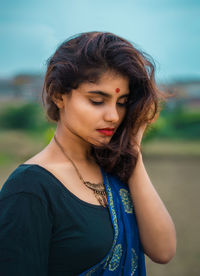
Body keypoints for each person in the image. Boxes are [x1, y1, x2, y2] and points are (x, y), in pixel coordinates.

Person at [0, 31, 176, 275]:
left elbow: (163, 251)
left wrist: (133, 153)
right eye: (97, 100)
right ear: (58, 95)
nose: (113, 116)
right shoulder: (29, 189)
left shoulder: (114, 167)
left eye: (122, 102)